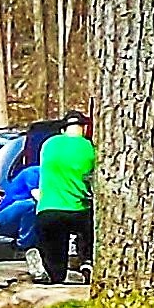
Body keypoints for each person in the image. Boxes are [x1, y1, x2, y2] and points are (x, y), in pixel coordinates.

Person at [26, 113, 97, 286]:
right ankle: (87, 262)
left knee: (56, 264)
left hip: (48, 209)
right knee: (90, 234)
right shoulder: (91, 149)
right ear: (85, 128)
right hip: (80, 211)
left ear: (63, 129)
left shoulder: (49, 145)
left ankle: (50, 272)